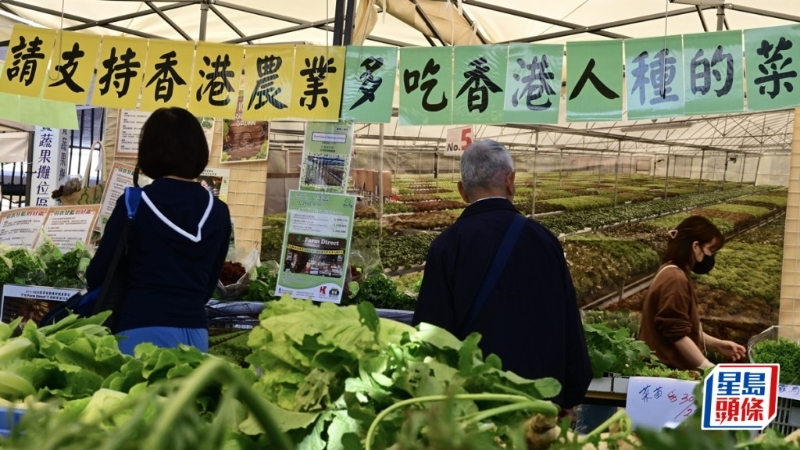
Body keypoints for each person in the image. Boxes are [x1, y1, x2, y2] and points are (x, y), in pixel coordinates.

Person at [412, 139, 592, 413]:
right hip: (537, 402)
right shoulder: (544, 240)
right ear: (511, 181)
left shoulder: (446, 246)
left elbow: (431, 333)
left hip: (472, 406)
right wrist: (569, 396)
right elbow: (567, 319)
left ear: (462, 191)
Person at [87, 107, 231, 356]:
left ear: (150, 151)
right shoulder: (218, 211)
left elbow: (99, 274)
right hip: (196, 332)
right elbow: (209, 286)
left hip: (139, 330)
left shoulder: (135, 202)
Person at [638, 216, 746, 370]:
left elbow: (682, 328)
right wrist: (709, 368)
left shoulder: (672, 271)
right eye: (711, 250)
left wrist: (717, 344)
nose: (711, 256)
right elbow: (677, 334)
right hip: (666, 373)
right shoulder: (675, 279)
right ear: (695, 246)